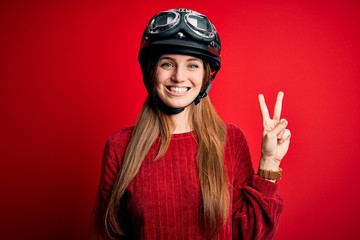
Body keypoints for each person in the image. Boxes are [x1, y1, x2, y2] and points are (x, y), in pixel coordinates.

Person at [89, 8, 291, 240]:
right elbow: (105, 234)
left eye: (192, 65)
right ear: (150, 71)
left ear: (207, 76)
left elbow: (250, 235)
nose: (179, 76)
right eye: (167, 64)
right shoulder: (120, 146)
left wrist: (270, 162)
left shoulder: (231, 140)